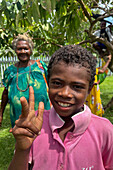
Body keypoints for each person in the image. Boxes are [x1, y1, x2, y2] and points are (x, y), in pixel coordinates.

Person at [8, 45, 113, 170]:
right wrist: (22, 149)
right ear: (48, 81)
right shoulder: (34, 125)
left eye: (77, 87)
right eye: (57, 83)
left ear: (89, 90)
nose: (65, 93)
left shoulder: (104, 130)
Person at [0, 33, 50, 128]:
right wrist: (1, 113)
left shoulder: (40, 67)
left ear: (31, 50)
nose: (23, 51)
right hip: (19, 118)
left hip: (43, 115)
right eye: (19, 49)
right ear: (15, 51)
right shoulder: (10, 72)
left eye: (26, 48)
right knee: (23, 141)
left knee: (44, 140)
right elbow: (5, 93)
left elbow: (52, 86)